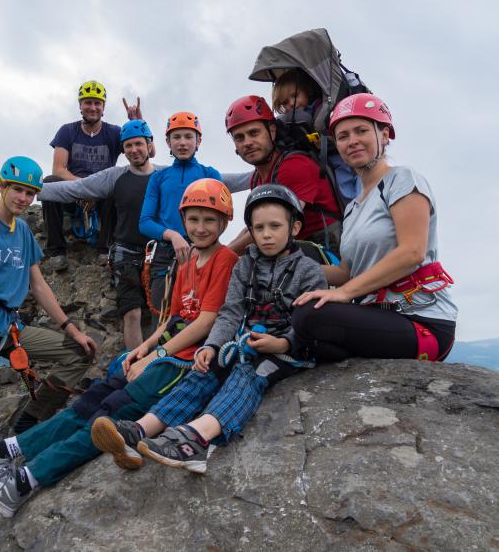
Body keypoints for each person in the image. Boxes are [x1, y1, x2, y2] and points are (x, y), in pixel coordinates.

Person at [0, 179, 238, 517]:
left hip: (181, 366)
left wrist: (157, 355)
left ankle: (24, 481)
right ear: (183, 220)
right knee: (88, 403)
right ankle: (3, 450)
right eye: (193, 219)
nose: (200, 228)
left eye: (209, 220)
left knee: (107, 418)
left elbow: (206, 321)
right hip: (165, 354)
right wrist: (143, 349)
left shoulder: (224, 259)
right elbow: (173, 319)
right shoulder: (189, 261)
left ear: (224, 223)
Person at [92, 184, 326, 473]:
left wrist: (283, 343)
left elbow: (311, 321)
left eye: (275, 226)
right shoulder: (246, 265)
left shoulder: (309, 270)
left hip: (287, 350)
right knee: (205, 370)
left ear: (295, 227)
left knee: (248, 374)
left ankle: (197, 438)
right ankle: (141, 429)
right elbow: (230, 313)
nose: (266, 234)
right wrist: (212, 346)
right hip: (246, 342)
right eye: (259, 227)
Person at [0, 156, 98, 508]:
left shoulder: (23, 232)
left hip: (10, 329)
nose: (24, 198)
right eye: (17, 190)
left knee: (77, 353)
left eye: (30, 193)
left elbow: (38, 284)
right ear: (1, 186)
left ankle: (27, 423)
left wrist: (70, 328)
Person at [291, 93, 457, 363]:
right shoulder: (353, 208)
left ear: (384, 135)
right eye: (343, 136)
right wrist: (290, 267)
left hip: (421, 319)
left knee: (309, 315)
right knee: (298, 315)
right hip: (380, 314)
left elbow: (412, 252)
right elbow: (347, 272)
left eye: (361, 131)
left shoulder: (402, 179)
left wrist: (345, 293)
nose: (352, 141)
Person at [38, 119, 161, 350]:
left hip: (158, 253)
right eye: (128, 146)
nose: (134, 149)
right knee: (132, 313)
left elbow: (205, 180)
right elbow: (74, 188)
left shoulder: (165, 174)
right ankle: (134, 362)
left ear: (149, 145)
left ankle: (157, 362)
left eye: (139, 144)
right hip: (125, 253)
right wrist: (30, 189)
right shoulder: (116, 175)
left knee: (161, 312)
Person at [224, 94, 342, 257]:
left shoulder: (294, 166)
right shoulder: (257, 178)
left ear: (272, 131)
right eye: (239, 137)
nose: (247, 142)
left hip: (325, 250)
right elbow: (254, 227)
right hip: (294, 250)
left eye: (254, 133)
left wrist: (223, 255)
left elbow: (276, 224)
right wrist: (223, 251)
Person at [139, 111, 222, 319]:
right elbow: (145, 222)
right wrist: (173, 235)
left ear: (198, 141)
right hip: (165, 254)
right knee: (162, 318)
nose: (182, 143)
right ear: (168, 142)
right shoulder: (159, 178)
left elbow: (220, 218)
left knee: (199, 316)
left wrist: (199, 244)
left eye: (188, 136)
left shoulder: (210, 175)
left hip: (201, 253)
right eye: (176, 137)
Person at [43, 80, 123, 270]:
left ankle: (105, 250)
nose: (93, 107)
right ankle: (56, 250)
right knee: (49, 182)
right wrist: (84, 188)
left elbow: (146, 153)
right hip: (73, 192)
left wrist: (139, 123)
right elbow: (59, 169)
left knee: (119, 184)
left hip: (103, 195)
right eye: (88, 102)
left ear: (103, 108)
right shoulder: (67, 131)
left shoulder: (114, 133)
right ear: (80, 105)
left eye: (97, 103)